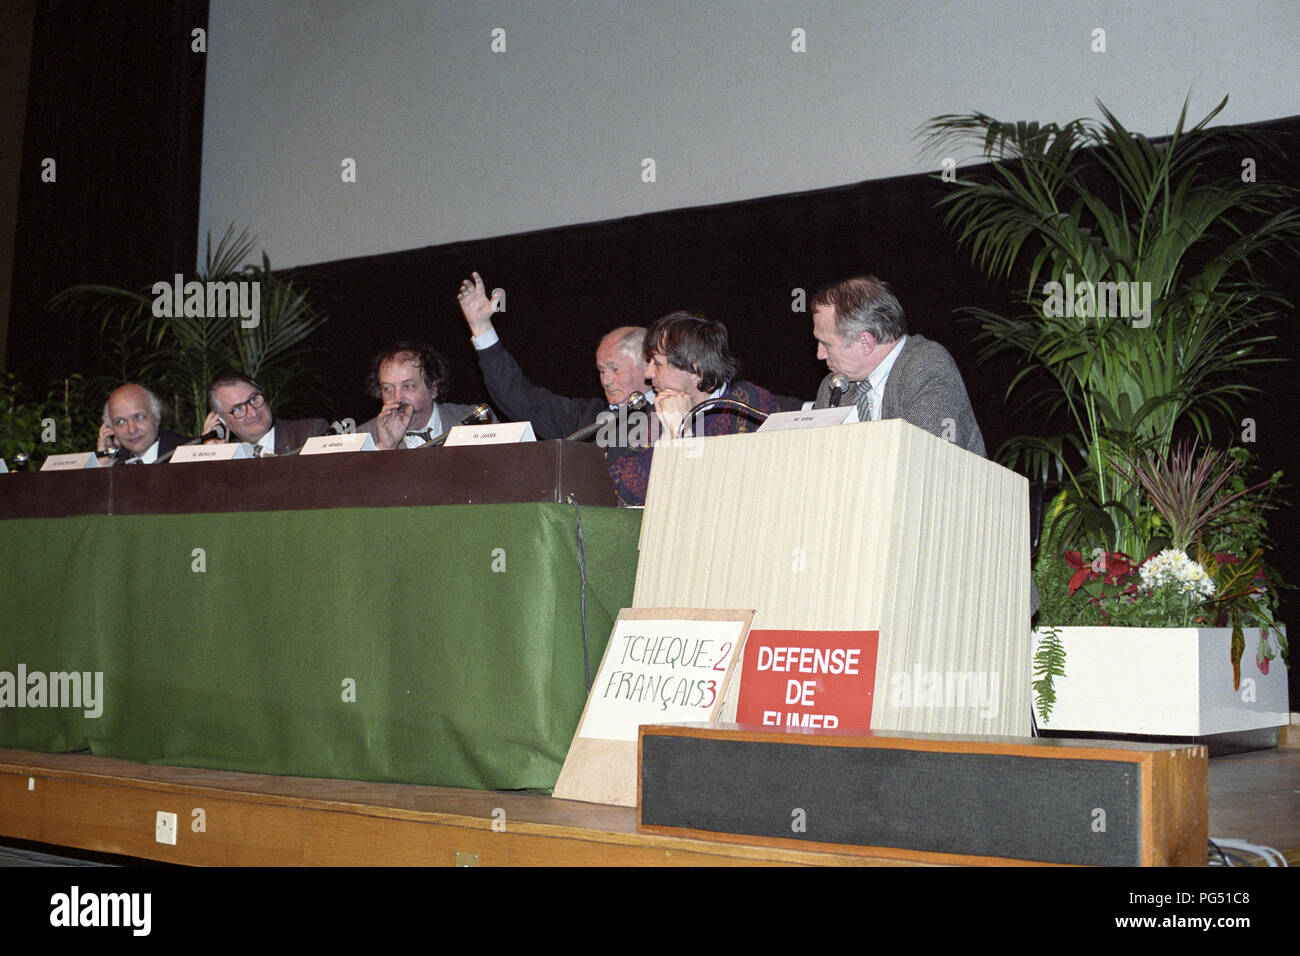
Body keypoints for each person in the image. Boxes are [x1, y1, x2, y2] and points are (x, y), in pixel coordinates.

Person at [455, 271, 654, 446]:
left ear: (647, 365)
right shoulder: (586, 420)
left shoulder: (674, 415)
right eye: (601, 370)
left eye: (614, 369)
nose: (606, 380)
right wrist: (481, 328)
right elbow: (518, 397)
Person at [609, 311, 781, 505]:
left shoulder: (748, 405)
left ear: (694, 368)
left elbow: (719, 490)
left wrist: (683, 434)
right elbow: (621, 490)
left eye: (657, 364)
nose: (648, 375)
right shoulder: (665, 408)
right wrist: (667, 437)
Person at [810, 276, 985, 456]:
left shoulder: (926, 367)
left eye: (826, 344)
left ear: (865, 343)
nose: (820, 354)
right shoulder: (833, 388)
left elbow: (931, 461)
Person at [359, 342, 493, 449]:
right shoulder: (361, 439)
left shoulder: (476, 419)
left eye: (407, 386)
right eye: (387, 388)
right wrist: (385, 449)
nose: (397, 397)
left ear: (433, 388)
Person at [202, 371, 329, 456]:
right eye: (238, 409)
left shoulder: (310, 434)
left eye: (253, 399)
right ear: (221, 420)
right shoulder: (227, 455)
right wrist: (214, 457)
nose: (253, 413)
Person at [96, 383, 187, 464]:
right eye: (121, 422)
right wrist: (104, 468)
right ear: (111, 429)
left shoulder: (188, 455)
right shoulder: (115, 466)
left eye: (139, 417)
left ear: (157, 417)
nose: (131, 430)